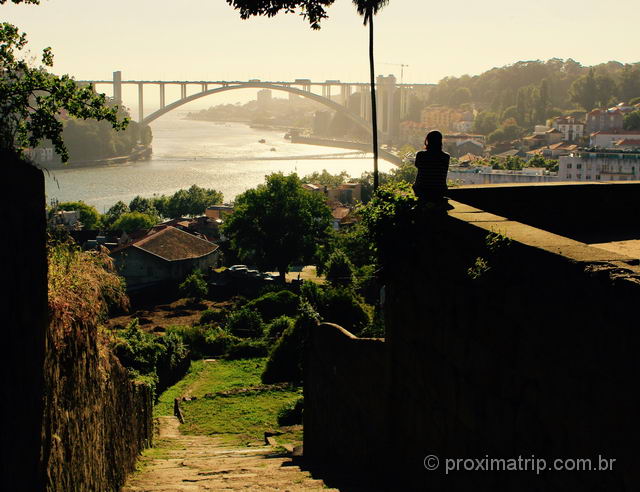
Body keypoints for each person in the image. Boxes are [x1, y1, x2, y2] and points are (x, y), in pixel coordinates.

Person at [412, 130, 451, 209]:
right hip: (439, 191)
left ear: (427, 141)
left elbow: (417, 166)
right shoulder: (446, 157)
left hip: (422, 190)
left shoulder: (420, 155)